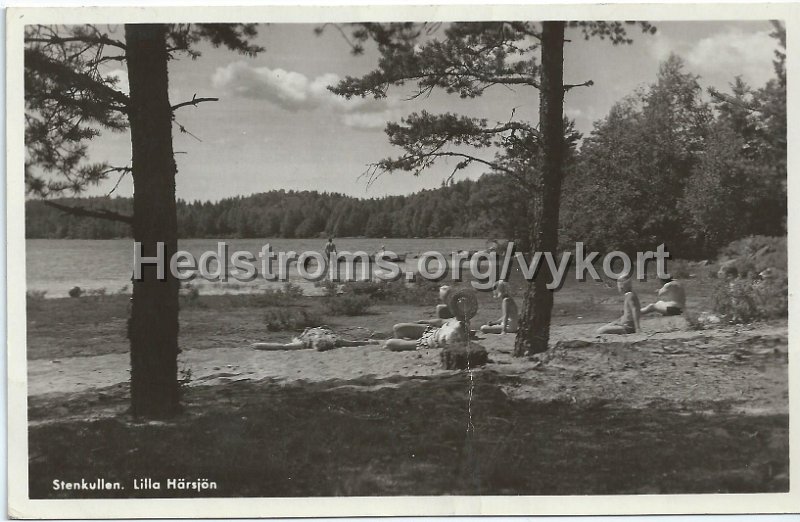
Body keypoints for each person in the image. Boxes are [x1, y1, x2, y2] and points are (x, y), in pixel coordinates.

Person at [252, 327, 377, 352]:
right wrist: (369, 342)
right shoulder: (336, 341)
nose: (318, 344)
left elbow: (283, 347)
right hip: (318, 330)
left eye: (318, 345)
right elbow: (355, 343)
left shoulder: (305, 343)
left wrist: (258, 345)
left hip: (313, 331)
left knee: (291, 344)